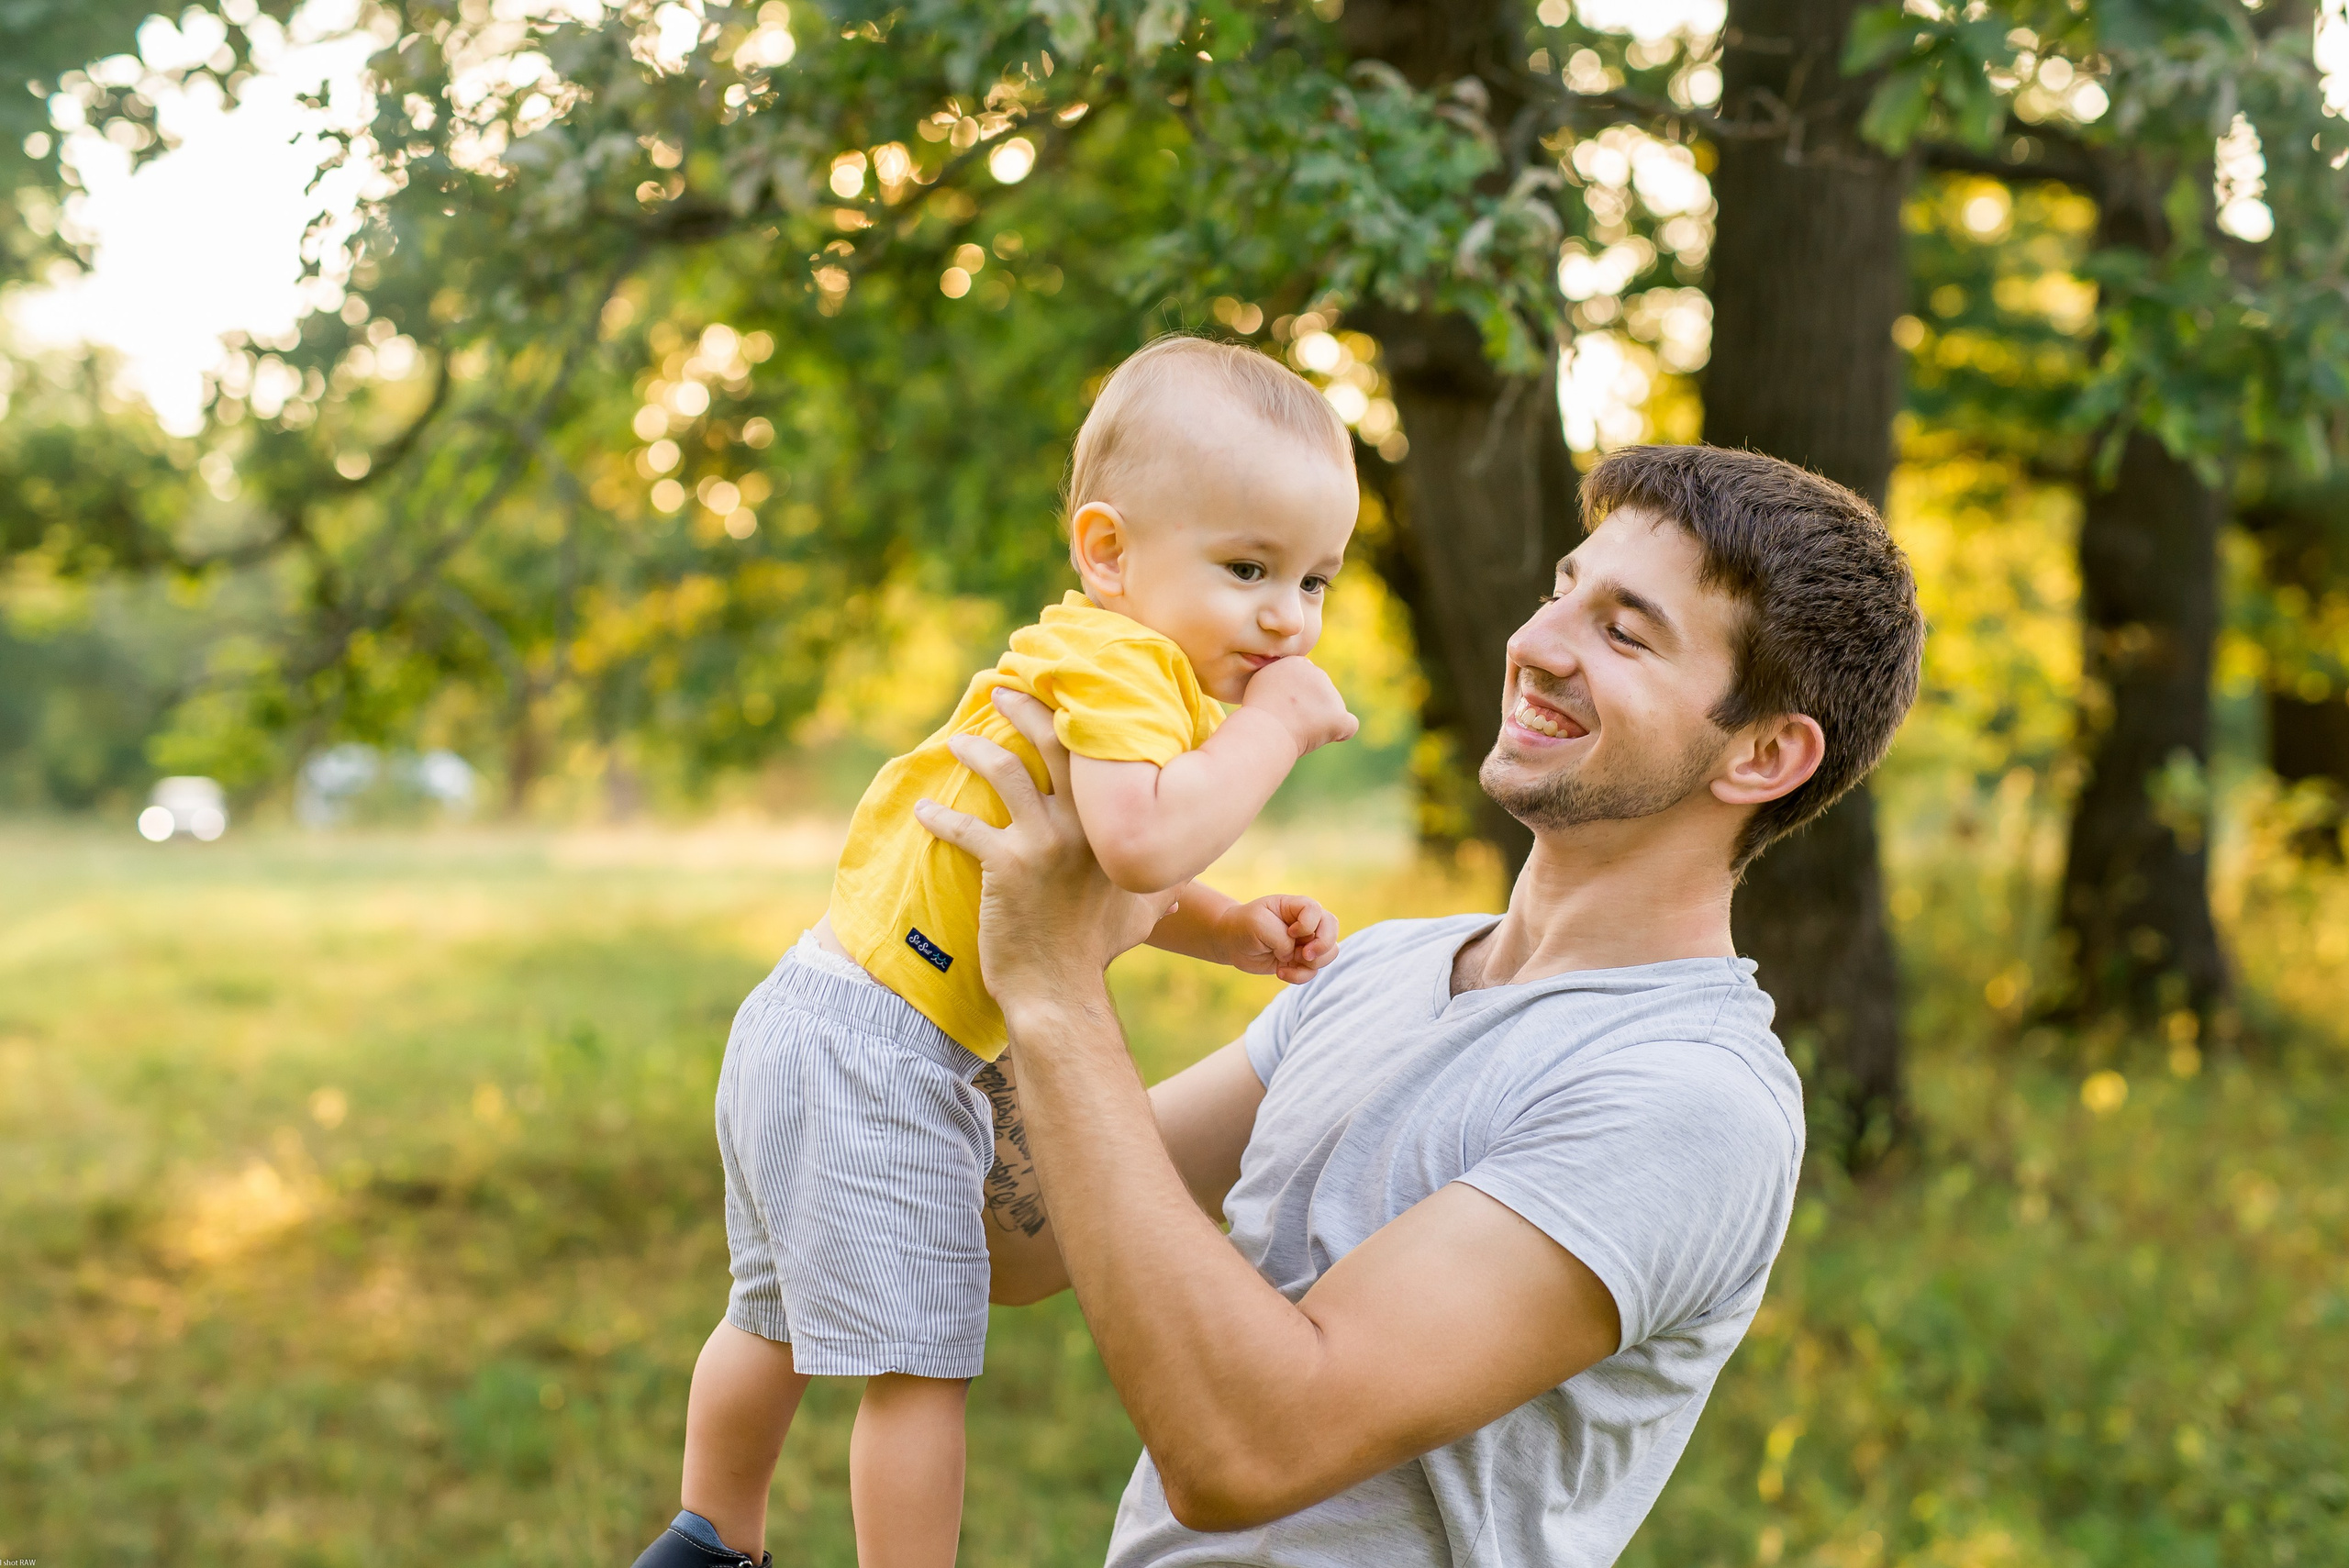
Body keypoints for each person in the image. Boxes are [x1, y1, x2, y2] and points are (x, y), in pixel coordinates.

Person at [920, 443, 1926, 1567]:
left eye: (1623, 631)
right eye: (1561, 591)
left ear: (1764, 754)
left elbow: (1241, 1450)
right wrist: (971, 946)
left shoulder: (1687, 1096)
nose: (1536, 645)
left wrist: (1057, 990)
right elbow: (1012, 1244)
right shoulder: (1382, 968)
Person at [631, 337, 1364, 1568]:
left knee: (765, 1315)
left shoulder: (1113, 671)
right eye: (1249, 569)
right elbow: (1136, 844)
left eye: (1316, 581)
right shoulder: (1125, 663)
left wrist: (1230, 928)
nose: (1287, 618)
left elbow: (1096, 862)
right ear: (1109, 551)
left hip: (814, 1010)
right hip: (888, 1053)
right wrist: (1279, 729)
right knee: (921, 1364)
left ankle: (711, 1541)